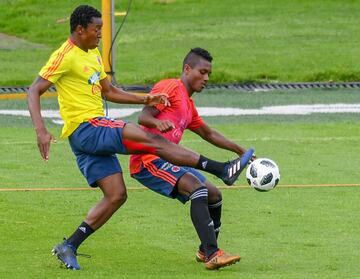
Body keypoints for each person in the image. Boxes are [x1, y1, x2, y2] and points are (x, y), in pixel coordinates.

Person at [27, 5, 254, 271]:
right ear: (80, 30)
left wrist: (145, 98)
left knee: (116, 195)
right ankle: (221, 169)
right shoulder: (64, 55)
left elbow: (109, 91)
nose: (100, 34)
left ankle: (69, 246)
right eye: (96, 29)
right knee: (153, 141)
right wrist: (41, 130)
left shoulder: (93, 54)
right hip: (86, 128)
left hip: (91, 137)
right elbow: (34, 90)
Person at [130, 47, 255, 270]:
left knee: (214, 195)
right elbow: (144, 115)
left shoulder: (188, 105)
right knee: (198, 189)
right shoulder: (169, 87)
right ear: (187, 69)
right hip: (148, 161)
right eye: (202, 72)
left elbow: (208, 133)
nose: (206, 78)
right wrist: (157, 123)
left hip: (169, 161)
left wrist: (241, 151)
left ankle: (203, 249)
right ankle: (212, 254)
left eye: (209, 74)